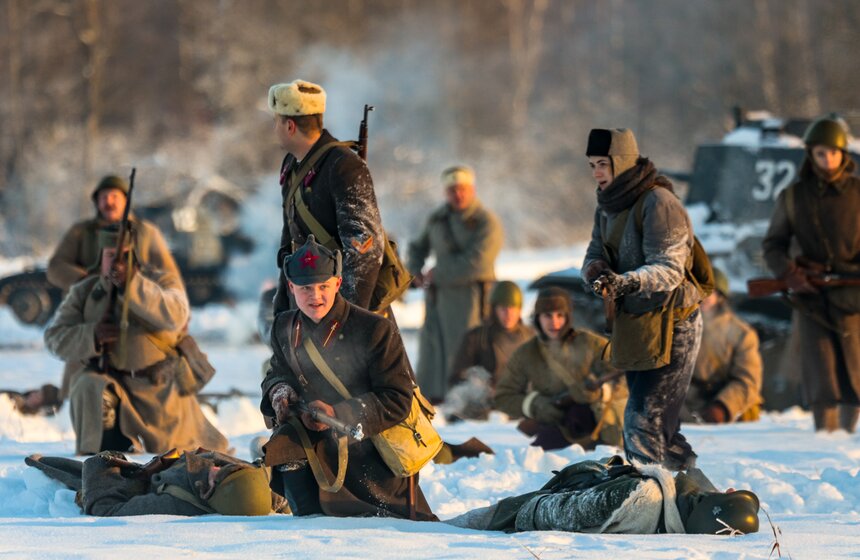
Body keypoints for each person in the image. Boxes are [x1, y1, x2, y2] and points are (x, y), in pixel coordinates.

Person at [260, 236, 436, 521]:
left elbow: (397, 398)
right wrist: (279, 390)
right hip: (314, 449)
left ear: (338, 284)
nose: (315, 296)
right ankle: (305, 523)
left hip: (371, 455)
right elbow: (276, 372)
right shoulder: (284, 327)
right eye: (305, 288)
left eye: (323, 286)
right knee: (285, 443)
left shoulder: (375, 329)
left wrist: (338, 413)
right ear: (291, 288)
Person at [44, 226, 228, 455]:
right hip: (112, 386)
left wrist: (133, 285)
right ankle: (102, 456)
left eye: (124, 256)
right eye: (110, 255)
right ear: (101, 257)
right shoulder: (85, 291)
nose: (116, 263)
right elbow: (54, 337)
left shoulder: (163, 282)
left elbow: (176, 313)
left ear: (137, 257)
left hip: (160, 392)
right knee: (86, 384)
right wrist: (91, 335)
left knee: (177, 459)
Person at [581, 128, 703, 470]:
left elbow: (669, 268)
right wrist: (594, 270)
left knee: (643, 420)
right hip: (638, 324)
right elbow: (593, 251)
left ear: (621, 162)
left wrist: (625, 283)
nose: (596, 173)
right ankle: (685, 494)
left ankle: (648, 505)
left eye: (603, 164)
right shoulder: (606, 206)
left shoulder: (659, 203)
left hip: (674, 322)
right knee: (657, 427)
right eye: (592, 165)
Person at [762, 117, 860, 432]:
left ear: (843, 154)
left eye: (833, 153)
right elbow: (773, 244)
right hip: (811, 297)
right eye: (820, 153)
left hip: (853, 295)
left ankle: (846, 443)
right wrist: (790, 275)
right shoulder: (793, 197)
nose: (827, 160)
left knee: (855, 373)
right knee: (822, 376)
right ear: (811, 155)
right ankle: (824, 441)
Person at [47, 174, 182, 400]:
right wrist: (87, 283)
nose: (109, 201)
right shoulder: (81, 232)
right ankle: (70, 407)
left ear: (125, 199)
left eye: (114, 196)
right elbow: (55, 267)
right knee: (80, 373)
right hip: (90, 317)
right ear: (96, 202)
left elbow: (169, 277)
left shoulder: (146, 232)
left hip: (139, 316)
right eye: (103, 197)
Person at [269, 79, 385, 316]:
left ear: (290, 126)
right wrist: (283, 311)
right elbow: (290, 244)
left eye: (276, 122)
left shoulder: (344, 166)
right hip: (305, 308)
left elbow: (364, 252)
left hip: (343, 312)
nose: (275, 129)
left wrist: (346, 320)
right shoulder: (292, 166)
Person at [445, 455, 760, 536]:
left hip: (533, 507)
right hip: (591, 485)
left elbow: (548, 512)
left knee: (444, 528)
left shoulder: (637, 499)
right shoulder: (688, 506)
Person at [407, 165, 503, 401]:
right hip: (439, 299)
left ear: (472, 189)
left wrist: (437, 274)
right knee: (433, 350)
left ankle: (467, 400)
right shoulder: (438, 219)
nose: (457, 194)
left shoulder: (486, 222)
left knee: (465, 350)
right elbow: (417, 247)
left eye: (462, 189)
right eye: (452, 190)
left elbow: (478, 262)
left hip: (472, 299)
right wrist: (414, 270)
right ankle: (433, 399)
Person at [494, 287, 627, 450]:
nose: (554, 322)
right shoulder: (526, 353)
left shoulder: (591, 343)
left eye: (560, 315)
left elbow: (625, 378)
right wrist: (535, 405)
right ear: (538, 318)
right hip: (556, 425)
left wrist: (601, 392)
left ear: (568, 317)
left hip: (600, 426)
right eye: (547, 316)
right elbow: (503, 397)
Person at [25, 449, 282, 516]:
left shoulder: (174, 504)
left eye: (219, 473)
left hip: (127, 482)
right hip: (159, 468)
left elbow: (106, 509)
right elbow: (274, 497)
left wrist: (103, 463)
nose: (219, 467)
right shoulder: (246, 491)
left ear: (208, 491)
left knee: (70, 472)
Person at [443, 281, 534, 421]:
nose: (508, 313)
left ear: (520, 309)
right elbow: (457, 377)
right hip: (484, 402)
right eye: (503, 308)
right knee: (473, 380)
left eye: (512, 308)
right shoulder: (477, 337)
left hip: (520, 400)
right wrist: (483, 384)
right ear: (494, 309)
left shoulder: (531, 337)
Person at [683, 268, 763, 424]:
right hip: (686, 406)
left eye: (709, 291)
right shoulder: (676, 328)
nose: (702, 296)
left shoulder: (742, 333)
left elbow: (748, 381)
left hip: (730, 409)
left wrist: (722, 407)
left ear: (720, 296)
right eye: (697, 290)